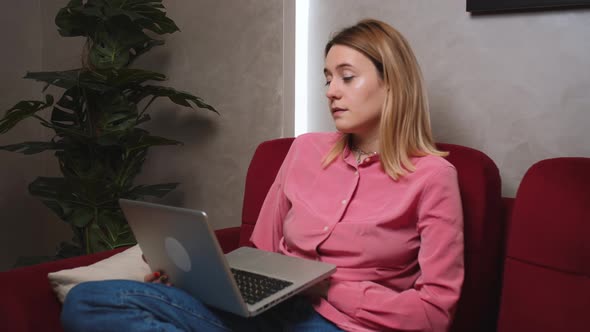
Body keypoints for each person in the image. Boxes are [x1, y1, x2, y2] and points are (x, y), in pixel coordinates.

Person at [61, 18, 463, 332]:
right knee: (89, 302)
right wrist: (198, 282)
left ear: (392, 82)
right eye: (326, 78)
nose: (330, 91)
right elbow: (262, 253)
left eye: (346, 76)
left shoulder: (433, 177)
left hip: (344, 325)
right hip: (265, 314)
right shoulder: (304, 150)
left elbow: (433, 314)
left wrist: (325, 284)